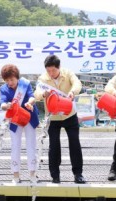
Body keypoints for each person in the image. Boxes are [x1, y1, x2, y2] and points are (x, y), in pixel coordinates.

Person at [34, 54, 86, 184]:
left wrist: (73, 92)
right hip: (53, 116)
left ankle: (78, 174)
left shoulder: (67, 73)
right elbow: (36, 93)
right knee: (54, 146)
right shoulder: (43, 78)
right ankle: (55, 176)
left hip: (69, 114)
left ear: (59, 67)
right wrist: (42, 94)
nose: (51, 73)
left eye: (53, 70)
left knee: (74, 143)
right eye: (48, 71)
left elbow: (77, 83)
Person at [0, 64, 39, 183]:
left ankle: (33, 173)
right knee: (15, 146)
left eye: (12, 79)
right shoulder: (3, 88)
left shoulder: (25, 84)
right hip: (15, 119)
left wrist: (29, 103)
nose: (10, 82)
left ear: (17, 77)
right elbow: (2, 104)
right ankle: (16, 175)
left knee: (31, 145)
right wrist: (6, 106)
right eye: (7, 80)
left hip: (28, 117)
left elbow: (32, 97)